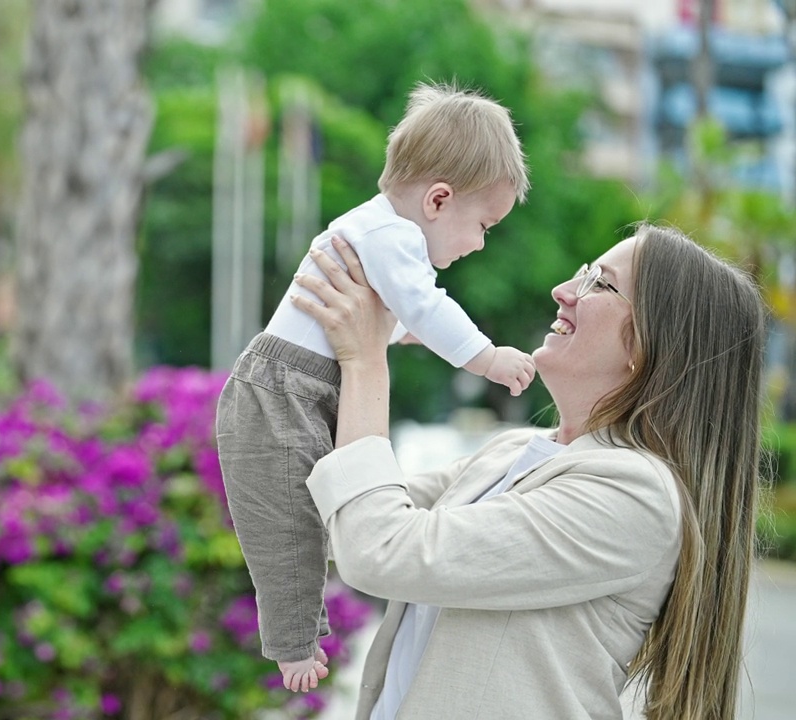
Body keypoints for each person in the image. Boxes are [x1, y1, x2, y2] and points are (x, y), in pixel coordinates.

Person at [291, 224, 763, 719]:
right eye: (583, 274)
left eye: (599, 283)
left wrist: (365, 360)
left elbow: (381, 549)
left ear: (646, 345)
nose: (563, 291)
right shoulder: (514, 450)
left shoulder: (635, 494)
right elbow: (341, 509)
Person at [215, 82, 536, 692]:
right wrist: (488, 358)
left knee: (312, 514)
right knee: (284, 523)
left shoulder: (380, 232)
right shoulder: (396, 236)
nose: (479, 243)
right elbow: (424, 305)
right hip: (281, 393)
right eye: (483, 225)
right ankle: (291, 644)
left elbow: (378, 318)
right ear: (439, 200)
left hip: (301, 385)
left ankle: (297, 630)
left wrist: (397, 335)